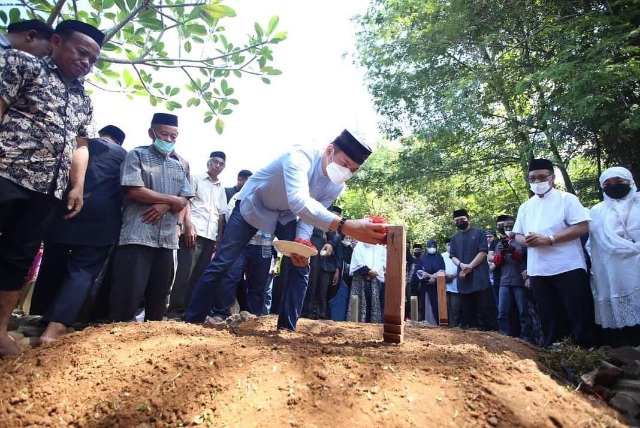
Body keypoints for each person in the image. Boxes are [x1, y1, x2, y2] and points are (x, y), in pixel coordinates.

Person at [184, 130, 387, 331]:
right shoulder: (298, 156)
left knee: (302, 265)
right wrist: (345, 226)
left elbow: (310, 217)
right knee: (222, 262)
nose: (346, 172)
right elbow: (299, 201)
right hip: (252, 207)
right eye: (344, 164)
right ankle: (193, 320)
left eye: (352, 170)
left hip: (285, 215)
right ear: (329, 150)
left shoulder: (336, 186)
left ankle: (287, 329)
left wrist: (301, 242)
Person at [0, 20, 104, 357]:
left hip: (47, 190)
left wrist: (77, 187)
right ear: (57, 42)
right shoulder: (22, 64)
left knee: (18, 258)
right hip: (7, 172)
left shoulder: (83, 98)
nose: (86, 62)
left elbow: (81, 145)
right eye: (81, 52)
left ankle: (0, 330)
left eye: (93, 60)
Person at [30, 125, 127, 344]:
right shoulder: (124, 155)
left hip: (65, 209)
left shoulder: (80, 145)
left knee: (51, 263)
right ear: (119, 141)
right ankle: (56, 327)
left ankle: (37, 316)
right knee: (83, 270)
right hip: (101, 219)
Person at [108, 113, 194, 322]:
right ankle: (115, 337)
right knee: (127, 295)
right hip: (138, 234)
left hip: (166, 240)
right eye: (165, 135)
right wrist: (172, 200)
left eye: (174, 137)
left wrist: (166, 204)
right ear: (152, 133)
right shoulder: (137, 155)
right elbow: (134, 190)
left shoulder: (179, 165)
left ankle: (151, 343)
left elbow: (185, 198)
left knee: (158, 297)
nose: (169, 140)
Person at [513, 158, 594, 348]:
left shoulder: (567, 199)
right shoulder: (525, 207)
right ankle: (554, 352)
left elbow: (582, 226)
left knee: (577, 311)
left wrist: (549, 239)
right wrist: (527, 241)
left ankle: (586, 351)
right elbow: (517, 234)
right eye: (532, 178)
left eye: (542, 177)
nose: (537, 182)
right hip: (539, 269)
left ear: (552, 177)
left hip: (568, 265)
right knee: (548, 314)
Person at [168, 151, 228, 315]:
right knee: (185, 272)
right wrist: (187, 225)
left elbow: (221, 214)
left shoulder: (221, 188)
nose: (218, 166)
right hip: (194, 231)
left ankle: (189, 310)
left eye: (221, 164)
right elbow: (186, 202)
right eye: (215, 162)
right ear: (208, 163)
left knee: (199, 275)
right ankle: (175, 310)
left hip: (210, 235)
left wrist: (219, 236)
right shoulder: (195, 178)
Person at [588, 166, 640, 347]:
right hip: (614, 268)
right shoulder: (597, 211)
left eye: (619, 182)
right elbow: (594, 244)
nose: (614, 186)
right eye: (608, 184)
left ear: (630, 182)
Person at [449, 209, 497, 330]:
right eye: (457, 220)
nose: (460, 222)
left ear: (468, 219)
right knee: (467, 313)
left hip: (480, 278)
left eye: (462, 220)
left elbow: (483, 252)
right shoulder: (455, 238)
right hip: (464, 279)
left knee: (485, 310)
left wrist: (469, 266)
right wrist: (461, 266)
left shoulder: (479, 232)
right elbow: (453, 256)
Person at [493, 219, 534, 343]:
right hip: (504, 281)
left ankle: (527, 338)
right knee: (502, 312)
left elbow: (522, 258)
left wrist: (513, 251)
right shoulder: (501, 243)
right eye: (506, 226)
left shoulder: (522, 241)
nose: (508, 228)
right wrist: (501, 253)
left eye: (511, 226)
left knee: (523, 312)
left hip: (519, 281)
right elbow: (496, 262)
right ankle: (504, 337)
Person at [347, 241, 387, 323]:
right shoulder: (359, 246)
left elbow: (383, 261)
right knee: (359, 304)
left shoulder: (379, 247)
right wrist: (368, 271)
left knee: (373, 304)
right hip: (360, 279)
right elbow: (357, 262)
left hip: (375, 279)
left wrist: (374, 272)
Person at [411, 239, 445, 324]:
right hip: (425, 285)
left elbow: (442, 270)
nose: (432, 248)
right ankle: (427, 323)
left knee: (437, 305)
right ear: (427, 247)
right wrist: (430, 276)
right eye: (430, 246)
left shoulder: (440, 258)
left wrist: (434, 277)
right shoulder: (422, 258)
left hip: (437, 286)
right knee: (426, 304)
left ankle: (437, 323)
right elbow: (419, 271)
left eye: (434, 247)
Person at [441, 238, 461, 326]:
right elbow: (438, 267)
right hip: (444, 284)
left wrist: (454, 274)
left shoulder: (460, 254)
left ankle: (454, 326)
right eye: (448, 245)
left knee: (455, 307)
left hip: (456, 285)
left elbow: (463, 266)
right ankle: (445, 325)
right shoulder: (441, 256)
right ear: (445, 246)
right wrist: (446, 275)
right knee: (445, 307)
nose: (450, 246)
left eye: (452, 245)